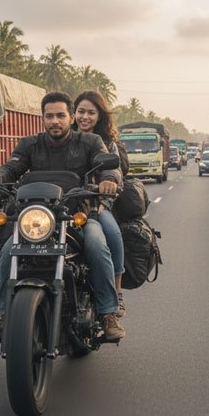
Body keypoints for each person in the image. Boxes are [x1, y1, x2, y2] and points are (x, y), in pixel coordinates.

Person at [0, 92, 124, 341]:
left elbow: (109, 167)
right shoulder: (30, 144)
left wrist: (109, 180)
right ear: (42, 118)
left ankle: (108, 313)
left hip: (79, 216)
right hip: (37, 219)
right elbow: (11, 167)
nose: (55, 121)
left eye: (60, 116)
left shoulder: (90, 141)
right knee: (6, 251)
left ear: (70, 117)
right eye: (49, 116)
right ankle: (5, 316)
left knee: (97, 245)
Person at [73, 90, 129, 317]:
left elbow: (114, 174)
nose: (84, 117)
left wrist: (104, 198)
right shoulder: (63, 138)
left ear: (99, 116)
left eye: (91, 113)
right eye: (80, 112)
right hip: (63, 204)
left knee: (112, 233)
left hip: (96, 205)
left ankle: (117, 292)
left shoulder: (106, 144)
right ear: (72, 113)